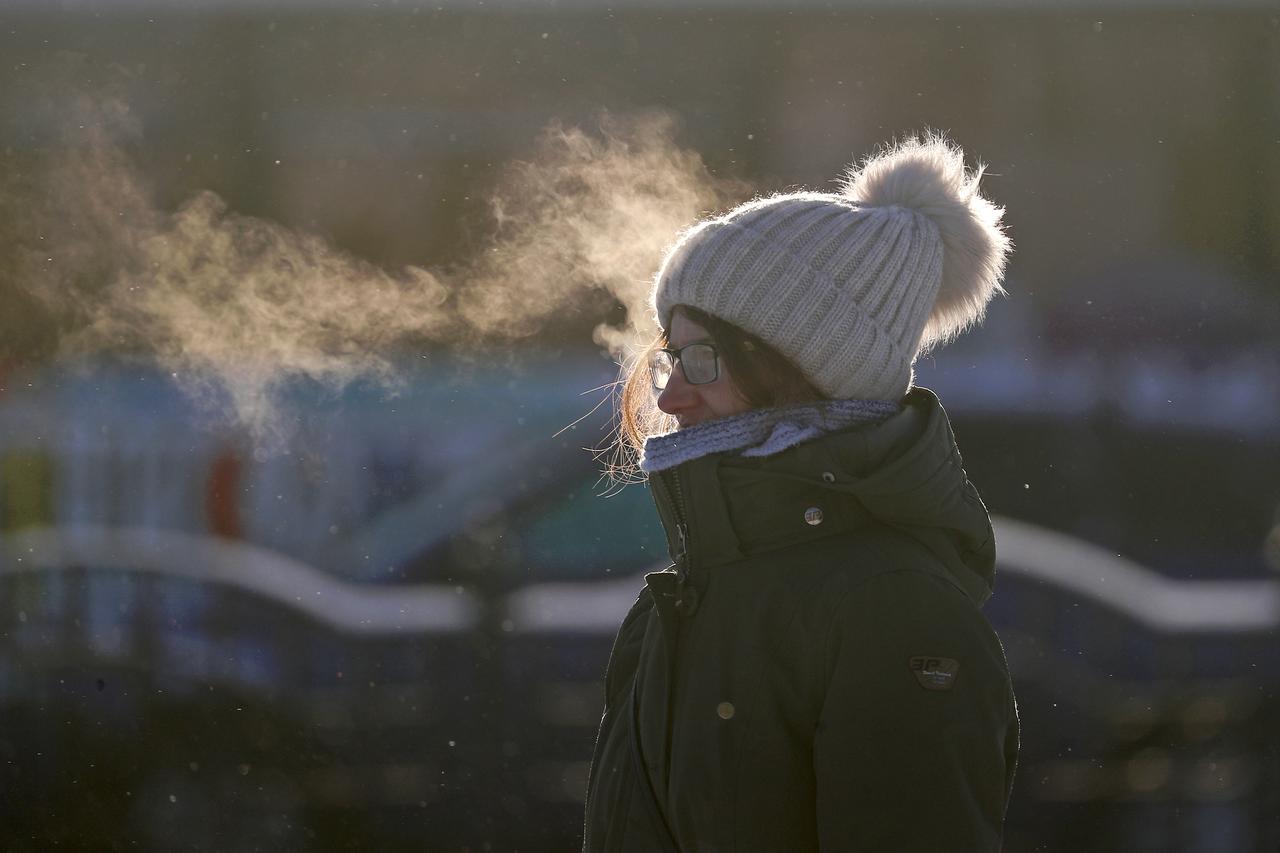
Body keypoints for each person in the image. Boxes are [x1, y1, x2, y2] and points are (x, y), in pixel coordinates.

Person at [582, 134, 1019, 852]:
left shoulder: (893, 612)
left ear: (802, 368)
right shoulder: (681, 602)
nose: (677, 392)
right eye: (670, 356)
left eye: (702, 357)